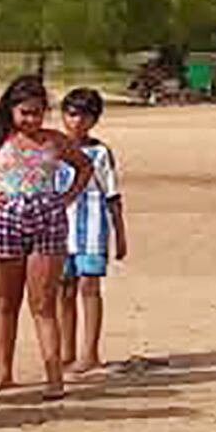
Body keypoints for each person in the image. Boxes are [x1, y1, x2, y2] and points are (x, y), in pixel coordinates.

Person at [0, 75, 93, 400]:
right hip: (6, 220)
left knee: (43, 303)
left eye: (37, 112)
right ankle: (4, 372)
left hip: (48, 221)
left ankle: (54, 377)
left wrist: (67, 197)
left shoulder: (56, 140)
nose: (32, 120)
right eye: (25, 113)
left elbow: (84, 167)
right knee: (6, 302)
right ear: (11, 110)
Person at [54, 88, 127, 373]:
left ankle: (90, 352)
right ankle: (66, 350)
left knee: (89, 286)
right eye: (71, 114)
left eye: (84, 116)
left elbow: (113, 195)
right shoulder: (54, 148)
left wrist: (120, 234)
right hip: (60, 231)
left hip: (93, 229)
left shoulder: (100, 153)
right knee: (64, 289)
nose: (76, 121)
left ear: (94, 120)